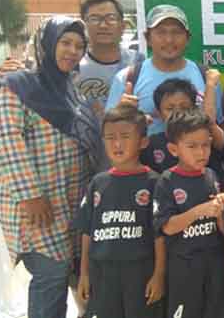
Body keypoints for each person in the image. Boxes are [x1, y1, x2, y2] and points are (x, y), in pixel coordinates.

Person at [0, 16, 103, 318]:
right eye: (65, 42)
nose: (72, 51)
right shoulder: (15, 86)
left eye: (79, 46)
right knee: (51, 274)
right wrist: (30, 196)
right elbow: (5, 143)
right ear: (46, 43)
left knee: (66, 275)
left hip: (69, 202)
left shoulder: (72, 91)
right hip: (35, 208)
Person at [75, 105, 164, 318]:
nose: (117, 144)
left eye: (125, 136)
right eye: (110, 137)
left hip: (140, 272)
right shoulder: (97, 183)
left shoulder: (155, 182)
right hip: (103, 273)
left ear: (143, 142)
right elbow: (87, 231)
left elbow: (160, 234)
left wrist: (159, 275)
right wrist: (84, 273)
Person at [153, 108, 224, 318]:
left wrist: (222, 209)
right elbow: (167, 226)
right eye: (192, 146)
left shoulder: (212, 175)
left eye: (205, 145)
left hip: (215, 264)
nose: (201, 152)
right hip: (185, 267)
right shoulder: (167, 180)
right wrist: (200, 210)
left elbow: (222, 227)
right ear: (173, 149)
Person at [106, 4, 224, 136]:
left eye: (176, 32)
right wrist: (121, 114)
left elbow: (218, 127)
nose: (169, 40)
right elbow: (109, 134)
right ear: (148, 38)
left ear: (187, 38)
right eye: (161, 32)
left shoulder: (207, 78)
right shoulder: (127, 78)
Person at [139, 77, 224, 183]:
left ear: (194, 108)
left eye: (184, 107)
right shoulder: (152, 143)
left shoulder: (205, 134)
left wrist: (210, 86)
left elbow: (218, 139)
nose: (177, 112)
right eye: (170, 109)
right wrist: (138, 127)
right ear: (159, 113)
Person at [76, 0, 144, 119]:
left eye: (111, 18)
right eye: (94, 19)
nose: (103, 25)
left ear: (122, 26)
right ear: (84, 26)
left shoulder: (138, 63)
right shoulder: (74, 66)